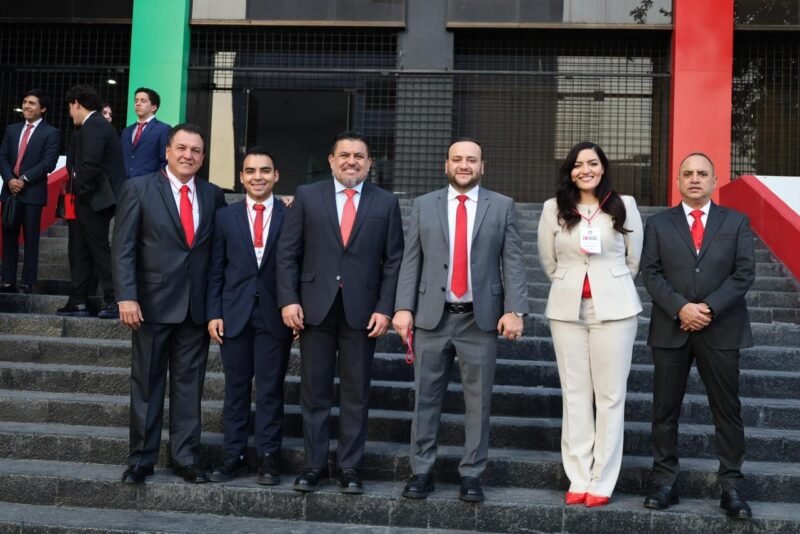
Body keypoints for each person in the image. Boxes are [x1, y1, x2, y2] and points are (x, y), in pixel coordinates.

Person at [392, 138, 528, 503]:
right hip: (431, 318)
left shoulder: (502, 206)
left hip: (479, 321)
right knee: (425, 399)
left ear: (483, 166)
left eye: (471, 159)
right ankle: (421, 471)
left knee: (478, 403)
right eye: (457, 159)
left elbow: (513, 261)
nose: (464, 165)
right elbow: (411, 260)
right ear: (446, 165)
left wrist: (515, 309)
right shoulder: (424, 205)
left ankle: (471, 474)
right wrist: (403, 307)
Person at [276, 130, 404, 494]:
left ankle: (349, 466)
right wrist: (288, 299)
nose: (351, 161)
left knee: (356, 393)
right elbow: (287, 253)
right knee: (314, 390)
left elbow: (394, 261)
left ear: (369, 163)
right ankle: (314, 465)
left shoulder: (386, 203)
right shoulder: (307, 196)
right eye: (344, 155)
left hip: (363, 313)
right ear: (331, 160)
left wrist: (386, 308)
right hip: (314, 308)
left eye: (359, 156)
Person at [640, 153, 755, 520]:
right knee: (664, 410)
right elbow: (651, 273)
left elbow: (744, 273)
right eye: (687, 173)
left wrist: (706, 308)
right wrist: (681, 308)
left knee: (727, 411)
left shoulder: (736, 222)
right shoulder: (658, 224)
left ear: (714, 180)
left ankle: (731, 487)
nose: (694, 178)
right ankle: (664, 483)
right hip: (670, 328)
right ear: (677, 181)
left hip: (721, 328)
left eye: (702, 173)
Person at [112, 123, 226, 485]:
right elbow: (123, 248)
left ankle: (185, 457)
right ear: (167, 151)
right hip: (151, 304)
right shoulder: (139, 188)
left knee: (190, 386)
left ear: (203, 157)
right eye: (181, 148)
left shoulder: (213, 195)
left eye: (195, 150)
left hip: (195, 309)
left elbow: (217, 252)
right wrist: (126, 296)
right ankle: (141, 459)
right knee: (147, 384)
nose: (188, 155)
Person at [537, 141, 643, 507]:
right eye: (578, 164)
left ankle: (602, 480)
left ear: (603, 168)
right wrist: (572, 284)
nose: (586, 170)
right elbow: (548, 262)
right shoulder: (553, 208)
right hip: (567, 310)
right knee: (575, 394)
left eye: (593, 163)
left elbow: (633, 260)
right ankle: (579, 476)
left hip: (614, 309)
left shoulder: (624, 205)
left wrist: (607, 285)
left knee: (610, 396)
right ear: (570, 171)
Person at [206, 147, 292, 484]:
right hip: (234, 314)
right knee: (235, 388)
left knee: (270, 389)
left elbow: (298, 266)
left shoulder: (291, 215)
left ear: (276, 176)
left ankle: (269, 456)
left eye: (265, 171)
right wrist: (214, 312)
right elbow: (216, 269)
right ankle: (234, 454)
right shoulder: (224, 217)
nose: (258, 177)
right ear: (241, 177)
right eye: (251, 171)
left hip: (275, 315)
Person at [57, 84, 124, 319]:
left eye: (70, 108)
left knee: (98, 249)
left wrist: (82, 192)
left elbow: (90, 165)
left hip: (94, 199)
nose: (70, 114)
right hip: (92, 198)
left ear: (76, 103)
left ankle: (114, 300)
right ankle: (79, 301)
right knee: (81, 249)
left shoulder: (94, 125)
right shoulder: (95, 125)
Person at [0, 89, 60, 294]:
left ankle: (27, 281)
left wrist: (24, 179)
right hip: (10, 192)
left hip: (32, 193)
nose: (26, 106)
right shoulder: (12, 129)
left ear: (43, 108)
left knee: (31, 238)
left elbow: (49, 163)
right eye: (25, 102)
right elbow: (3, 157)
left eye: (32, 103)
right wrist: (10, 179)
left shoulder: (51, 133)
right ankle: (7, 280)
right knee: (9, 235)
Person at [120, 87, 170, 179]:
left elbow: (166, 160)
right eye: (136, 101)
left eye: (143, 101)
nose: (138, 104)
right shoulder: (126, 131)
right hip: (125, 183)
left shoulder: (163, 129)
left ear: (154, 107)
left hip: (150, 183)